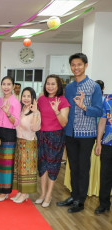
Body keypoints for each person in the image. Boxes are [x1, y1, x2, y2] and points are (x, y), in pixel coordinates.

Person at [57, 53, 103, 213]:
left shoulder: (94, 86)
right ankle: (74, 195)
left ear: (85, 65)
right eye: (73, 65)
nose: (76, 68)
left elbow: (99, 110)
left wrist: (84, 107)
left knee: (83, 167)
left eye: (79, 64)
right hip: (70, 133)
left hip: (87, 134)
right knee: (73, 166)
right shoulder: (69, 88)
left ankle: (80, 200)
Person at [36, 75, 70, 207]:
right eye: (48, 83)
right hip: (42, 134)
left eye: (53, 84)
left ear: (58, 86)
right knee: (42, 165)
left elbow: (64, 122)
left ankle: (49, 195)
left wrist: (56, 111)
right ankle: (43, 193)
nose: (50, 86)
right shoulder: (41, 99)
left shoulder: (63, 100)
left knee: (53, 166)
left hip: (56, 136)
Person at [0, 76, 21, 201]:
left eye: (9, 84)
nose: (6, 87)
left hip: (9, 133)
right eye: (4, 84)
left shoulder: (15, 102)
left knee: (6, 165)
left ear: (13, 86)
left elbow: (16, 122)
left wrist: (8, 113)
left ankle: (5, 192)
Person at [12, 87, 41, 203]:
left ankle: (25, 193)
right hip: (19, 141)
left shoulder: (36, 112)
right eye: (24, 96)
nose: (26, 98)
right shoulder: (22, 109)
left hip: (29, 143)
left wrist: (35, 113)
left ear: (33, 98)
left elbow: (35, 128)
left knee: (26, 169)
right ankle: (20, 191)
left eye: (29, 96)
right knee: (19, 168)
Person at [94, 93, 112, 214]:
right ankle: (104, 203)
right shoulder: (108, 99)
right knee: (105, 176)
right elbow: (102, 121)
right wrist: (98, 142)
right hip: (107, 143)